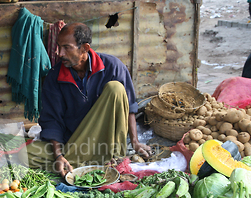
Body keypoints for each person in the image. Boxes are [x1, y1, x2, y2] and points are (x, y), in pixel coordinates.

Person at [20, 23, 152, 177]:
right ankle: (87, 162)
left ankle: (109, 159)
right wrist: (58, 156)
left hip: (107, 143)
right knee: (23, 155)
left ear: (84, 48)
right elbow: (52, 121)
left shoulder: (113, 66)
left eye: (66, 47)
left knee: (115, 88)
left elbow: (129, 107)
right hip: (76, 143)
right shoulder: (54, 76)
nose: (59, 53)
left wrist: (135, 142)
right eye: (58, 47)